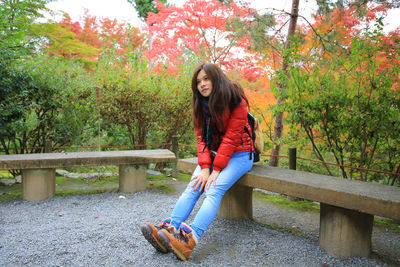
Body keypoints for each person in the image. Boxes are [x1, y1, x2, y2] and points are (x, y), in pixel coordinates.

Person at [140, 63, 255, 261]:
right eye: (198, 81)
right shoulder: (201, 103)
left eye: (206, 79)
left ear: (216, 78)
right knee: (194, 186)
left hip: (241, 155)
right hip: (213, 154)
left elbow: (232, 137)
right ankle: (168, 230)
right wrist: (204, 167)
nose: (202, 84)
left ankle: (189, 240)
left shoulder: (236, 99)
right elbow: (201, 138)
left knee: (213, 188)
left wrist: (215, 170)